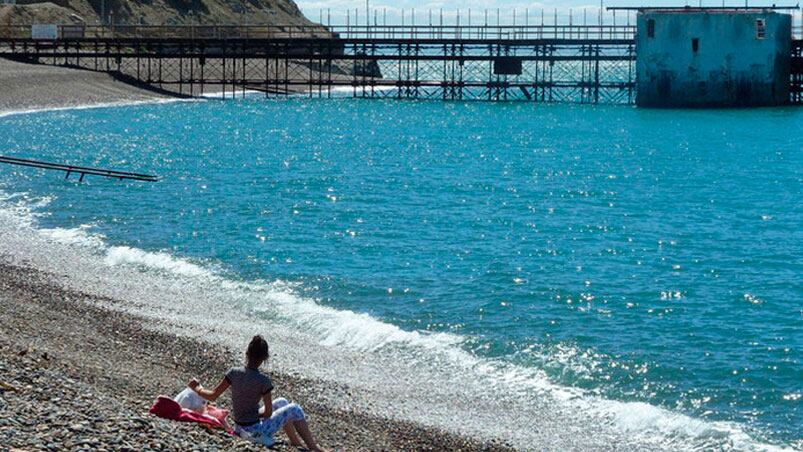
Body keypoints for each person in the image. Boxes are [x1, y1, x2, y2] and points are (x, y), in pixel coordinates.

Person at [188, 335, 327, 451]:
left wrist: (197, 388)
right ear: (265, 358)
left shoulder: (233, 373)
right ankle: (314, 448)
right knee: (295, 409)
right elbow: (267, 413)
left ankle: (295, 442)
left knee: (282, 402)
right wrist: (253, 413)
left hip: (239, 425)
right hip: (254, 430)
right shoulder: (263, 381)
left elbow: (213, 395)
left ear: (247, 353)